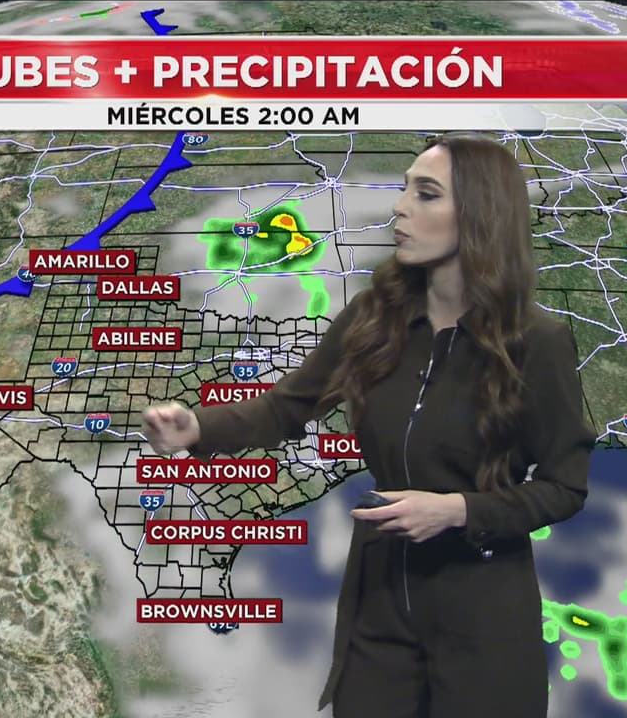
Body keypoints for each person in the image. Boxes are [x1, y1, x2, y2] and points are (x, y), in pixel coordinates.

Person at [141, 133, 596, 717]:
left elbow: (564, 486)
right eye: (405, 190)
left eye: (425, 194)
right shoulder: (374, 319)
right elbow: (286, 408)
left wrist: (458, 511)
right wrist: (196, 429)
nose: (400, 208)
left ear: (480, 214)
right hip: (380, 602)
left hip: (483, 611)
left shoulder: (537, 342)